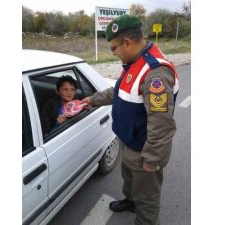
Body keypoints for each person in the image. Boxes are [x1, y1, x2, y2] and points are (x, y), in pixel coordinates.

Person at [81, 14, 179, 225]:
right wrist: (92, 100)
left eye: (114, 47)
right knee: (130, 180)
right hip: (129, 139)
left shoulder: (155, 74)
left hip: (145, 150)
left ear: (127, 42)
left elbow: (161, 125)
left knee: (147, 196)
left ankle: (145, 220)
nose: (113, 52)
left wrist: (152, 160)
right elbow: (119, 91)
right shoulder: (135, 62)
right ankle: (130, 200)